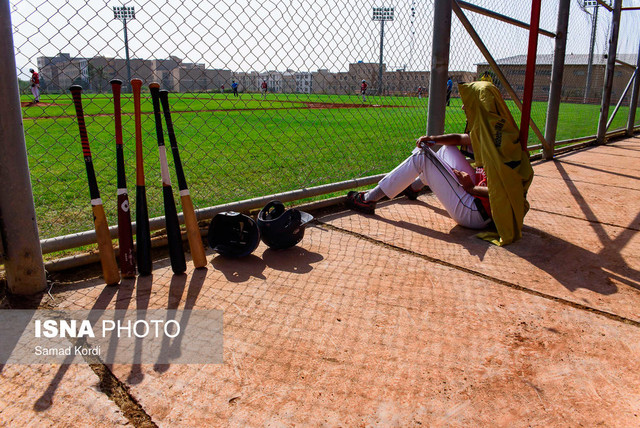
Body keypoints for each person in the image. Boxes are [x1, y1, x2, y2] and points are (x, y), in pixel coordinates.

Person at [345, 81, 534, 246]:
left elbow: (508, 193)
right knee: (447, 149)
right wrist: (434, 138)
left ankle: (368, 200)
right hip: (485, 204)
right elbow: (462, 139)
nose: (463, 108)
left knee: (422, 157)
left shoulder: (498, 143)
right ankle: (415, 187)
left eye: (469, 103)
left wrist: (471, 188)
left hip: (476, 212)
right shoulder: (499, 133)